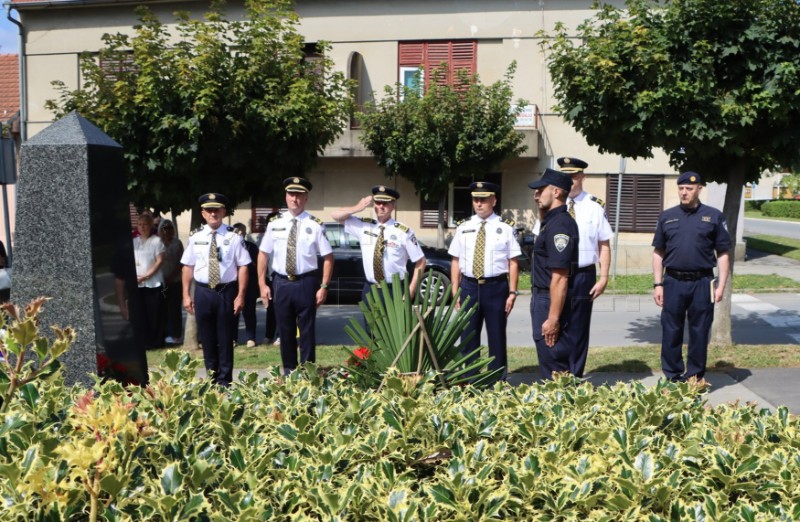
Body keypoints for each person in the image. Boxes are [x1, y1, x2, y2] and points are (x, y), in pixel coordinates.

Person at [652, 171, 731, 382]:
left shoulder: (714, 216)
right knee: (671, 330)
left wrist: (721, 285)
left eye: (689, 188)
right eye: (681, 188)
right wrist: (658, 283)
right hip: (673, 282)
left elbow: (723, 253)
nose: (684, 192)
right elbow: (658, 252)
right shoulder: (667, 217)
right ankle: (673, 376)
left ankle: (695, 377)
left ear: (699, 189)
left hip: (702, 282)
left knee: (699, 332)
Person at [539, 156, 612, 377]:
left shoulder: (594, 206)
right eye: (566, 176)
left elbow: (604, 243)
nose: (570, 181)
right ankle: (556, 374)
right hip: (555, 276)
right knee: (553, 322)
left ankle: (575, 375)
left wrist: (604, 277)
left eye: (574, 176)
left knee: (578, 328)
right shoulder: (550, 205)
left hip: (582, 275)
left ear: (583, 177)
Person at [258, 177, 333, 374]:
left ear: (306, 198)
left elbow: (328, 257)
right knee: (285, 330)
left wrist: (324, 286)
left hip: (306, 282)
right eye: (291, 194)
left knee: (307, 330)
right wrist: (262, 284)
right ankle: (290, 371)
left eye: (299, 195)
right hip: (281, 282)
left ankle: (308, 372)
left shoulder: (315, 224)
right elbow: (263, 253)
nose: (295, 198)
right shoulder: (275, 223)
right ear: (286, 196)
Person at [448, 181, 521, 380]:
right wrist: (455, 289)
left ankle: (496, 379)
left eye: (483, 200)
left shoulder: (505, 228)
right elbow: (455, 260)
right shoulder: (464, 227)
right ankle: (470, 379)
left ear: (493, 200)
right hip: (469, 286)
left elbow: (513, 262)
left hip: (496, 287)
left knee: (496, 336)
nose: (479, 204)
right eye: (475, 200)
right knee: (468, 336)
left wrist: (513, 292)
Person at [181, 193, 250, 386]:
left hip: (226, 291)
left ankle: (225, 380)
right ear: (203, 213)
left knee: (226, 337)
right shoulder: (196, 237)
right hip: (203, 292)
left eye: (217, 209)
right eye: (209, 210)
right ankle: (212, 378)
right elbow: (187, 266)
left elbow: (243, 266)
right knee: (207, 338)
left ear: (223, 212)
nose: (213, 213)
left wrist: (240, 295)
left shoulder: (233, 236)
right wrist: (186, 295)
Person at [331, 185, 426, 305]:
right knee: (369, 324)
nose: (381, 206)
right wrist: (357, 207)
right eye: (377, 202)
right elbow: (335, 215)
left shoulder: (403, 231)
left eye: (385, 203)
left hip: (395, 290)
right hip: (371, 289)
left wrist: (410, 290)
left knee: (395, 324)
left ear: (393, 205)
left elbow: (421, 262)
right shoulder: (363, 225)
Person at [528, 169, 579, 380]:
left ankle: (561, 406)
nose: (536, 195)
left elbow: (559, 277)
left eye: (541, 190)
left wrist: (552, 318)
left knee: (553, 359)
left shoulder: (560, 226)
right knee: (548, 358)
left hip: (550, 300)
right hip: (542, 297)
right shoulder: (550, 222)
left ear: (557, 192)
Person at [133, 213, 165, 350]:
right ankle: (144, 341)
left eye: (145, 224)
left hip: (153, 283)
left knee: (155, 314)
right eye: (140, 224)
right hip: (138, 284)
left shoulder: (156, 241)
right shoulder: (134, 241)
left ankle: (156, 341)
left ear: (151, 226)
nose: (142, 227)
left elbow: (160, 261)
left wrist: (146, 276)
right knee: (141, 314)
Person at [232, 223, 260, 348]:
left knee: (249, 312)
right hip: (232, 284)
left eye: (241, 232)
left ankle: (251, 338)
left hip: (249, 285)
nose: (239, 234)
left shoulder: (252, 247)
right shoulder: (230, 246)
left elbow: (256, 266)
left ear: (245, 233)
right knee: (233, 312)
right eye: (236, 232)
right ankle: (233, 338)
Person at [158, 219, 184, 345]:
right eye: (164, 228)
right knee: (162, 308)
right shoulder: (157, 243)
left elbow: (181, 262)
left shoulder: (177, 243)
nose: (166, 230)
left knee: (175, 309)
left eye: (168, 228)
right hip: (161, 282)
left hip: (175, 281)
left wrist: (172, 276)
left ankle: (176, 335)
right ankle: (163, 334)